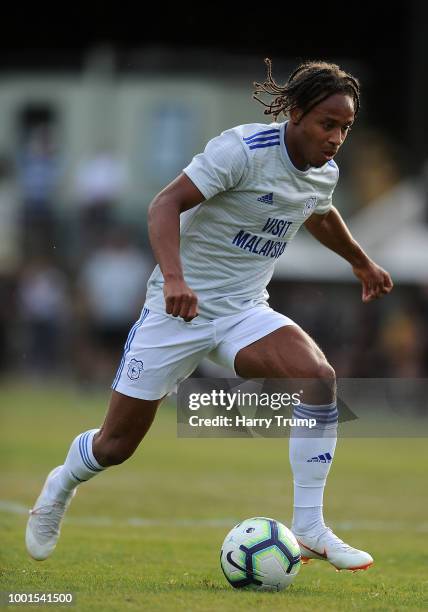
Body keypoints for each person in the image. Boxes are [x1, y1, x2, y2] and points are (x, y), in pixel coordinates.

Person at [26, 58, 393, 571]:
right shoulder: (241, 150)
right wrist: (174, 278)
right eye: (327, 124)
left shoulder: (322, 173)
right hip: (177, 310)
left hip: (244, 310)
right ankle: (61, 484)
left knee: (318, 377)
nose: (336, 138)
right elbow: (163, 204)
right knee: (114, 447)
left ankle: (309, 528)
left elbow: (320, 212)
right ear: (294, 114)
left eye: (345, 128)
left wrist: (361, 262)